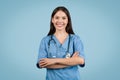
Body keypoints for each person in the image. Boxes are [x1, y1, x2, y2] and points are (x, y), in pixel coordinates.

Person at [36, 6, 85, 80]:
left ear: (68, 20)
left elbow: (81, 61)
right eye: (57, 18)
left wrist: (52, 61)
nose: (60, 21)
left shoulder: (75, 39)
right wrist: (71, 61)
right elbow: (42, 63)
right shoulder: (45, 41)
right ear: (52, 20)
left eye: (64, 18)